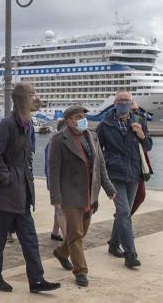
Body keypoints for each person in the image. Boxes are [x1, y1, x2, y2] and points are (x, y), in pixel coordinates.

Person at [0, 83, 61, 294]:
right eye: (32, 95)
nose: (36, 98)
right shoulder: (7, 125)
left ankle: (36, 280)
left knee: (30, 237)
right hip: (6, 192)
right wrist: (7, 178)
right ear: (21, 100)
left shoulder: (27, 124)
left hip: (22, 191)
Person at [49, 105, 117, 287]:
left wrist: (109, 188)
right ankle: (81, 271)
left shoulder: (92, 136)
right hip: (70, 194)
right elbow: (54, 170)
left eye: (84, 116)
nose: (83, 119)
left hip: (90, 193)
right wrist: (55, 198)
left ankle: (62, 252)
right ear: (69, 120)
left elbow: (100, 165)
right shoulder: (59, 139)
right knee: (76, 234)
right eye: (79, 116)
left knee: (80, 232)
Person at [96, 91, 153, 269]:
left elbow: (148, 145)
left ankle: (114, 244)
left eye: (127, 101)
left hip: (134, 173)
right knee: (123, 212)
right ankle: (130, 253)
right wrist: (106, 164)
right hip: (115, 174)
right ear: (114, 103)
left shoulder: (138, 121)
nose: (123, 103)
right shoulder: (105, 124)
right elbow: (98, 149)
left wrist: (141, 135)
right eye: (120, 100)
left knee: (124, 212)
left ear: (131, 103)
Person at [44, 119, 67, 242]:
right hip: (57, 181)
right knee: (61, 208)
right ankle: (68, 239)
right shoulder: (54, 142)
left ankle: (55, 232)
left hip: (61, 181)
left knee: (59, 207)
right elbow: (50, 166)